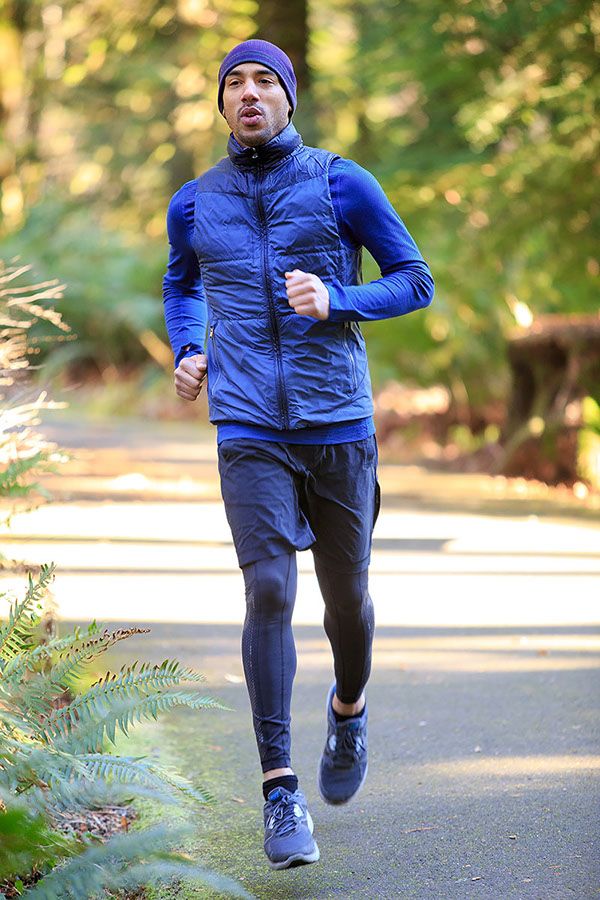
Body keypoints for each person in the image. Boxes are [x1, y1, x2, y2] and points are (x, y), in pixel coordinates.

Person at [162, 39, 434, 870]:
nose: (249, 93)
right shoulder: (193, 201)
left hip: (337, 421)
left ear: (289, 98)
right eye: (234, 83)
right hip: (245, 424)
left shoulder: (341, 181)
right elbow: (182, 281)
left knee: (345, 597)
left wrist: (338, 298)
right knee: (269, 588)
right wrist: (189, 345)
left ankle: (348, 711)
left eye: (265, 81)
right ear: (221, 105)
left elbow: (415, 278)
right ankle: (280, 794)